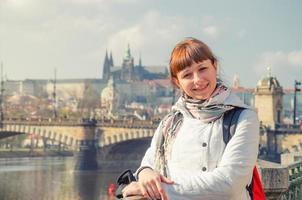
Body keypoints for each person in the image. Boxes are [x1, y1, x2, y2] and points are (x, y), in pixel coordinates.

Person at [120, 38, 259, 200]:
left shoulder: (244, 118)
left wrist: (157, 189)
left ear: (215, 66)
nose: (197, 80)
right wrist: (145, 173)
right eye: (187, 75)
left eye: (202, 69)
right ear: (176, 82)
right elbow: (149, 161)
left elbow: (229, 184)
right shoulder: (171, 122)